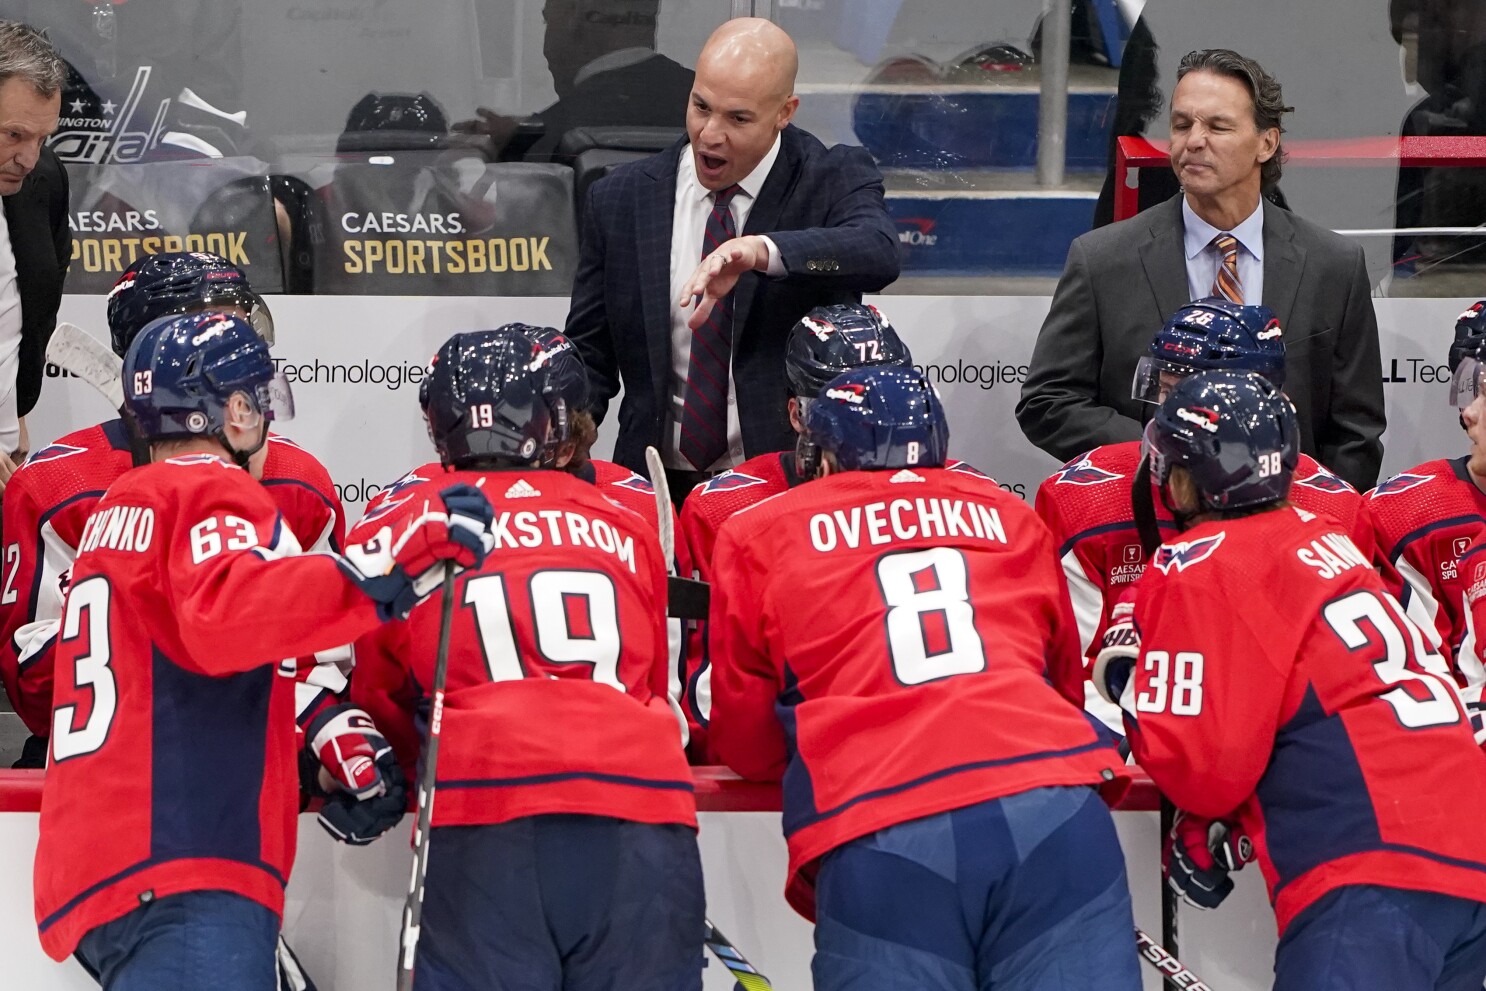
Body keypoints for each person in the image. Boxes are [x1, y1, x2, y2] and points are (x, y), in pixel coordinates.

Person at [32, 310, 494, 989]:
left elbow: (188, 661)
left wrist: (318, 726)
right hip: (186, 860)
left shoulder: (119, 509)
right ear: (239, 411)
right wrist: (387, 566)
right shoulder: (209, 490)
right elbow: (234, 613)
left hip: (104, 869)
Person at [709, 364, 1139, 991]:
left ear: (819, 458)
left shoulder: (755, 531)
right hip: (1054, 807)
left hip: (885, 824)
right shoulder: (1009, 513)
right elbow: (1064, 689)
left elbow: (746, 744)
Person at [1094, 369, 1486, 991]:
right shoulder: (1332, 541)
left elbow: (1202, 767)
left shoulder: (1199, 561)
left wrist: (1134, 688)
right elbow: (1321, 707)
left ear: (1188, 473)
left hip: (1372, 873)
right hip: (1470, 849)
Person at [351, 327, 702, 991]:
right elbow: (657, 685)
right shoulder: (625, 522)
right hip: (644, 810)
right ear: (566, 433)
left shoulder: (402, 519)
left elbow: (379, 697)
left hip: (486, 813)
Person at [0, 253, 348, 768]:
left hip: (263, 761)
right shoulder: (56, 486)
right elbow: (34, 683)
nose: (239, 355)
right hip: (100, 766)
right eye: (216, 333)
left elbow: (333, 663)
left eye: (243, 331)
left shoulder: (299, 482)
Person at [564, 17, 900, 505]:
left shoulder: (831, 177)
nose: (710, 135)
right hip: (654, 487)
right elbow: (590, 354)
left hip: (782, 487)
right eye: (701, 107)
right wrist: (561, 443)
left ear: (785, 112)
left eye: (738, 119)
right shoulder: (620, 198)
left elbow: (878, 250)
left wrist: (763, 251)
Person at [1018, 47, 1386, 492]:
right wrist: (1171, 453)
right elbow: (1048, 402)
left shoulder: (1334, 266)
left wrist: (1311, 512)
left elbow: (1357, 432)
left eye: (1217, 126)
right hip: (1148, 523)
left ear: (1266, 143)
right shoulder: (1102, 260)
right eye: (1181, 125)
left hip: (1287, 525)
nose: (1193, 140)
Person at [1035, 298, 1371, 735]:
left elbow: (1347, 681)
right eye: (1167, 390)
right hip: (1128, 744)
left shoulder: (1335, 508)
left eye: (1195, 400)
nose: (1172, 418)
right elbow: (1070, 679)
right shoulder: (1083, 497)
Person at [677, 301, 999, 757]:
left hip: (949, 740)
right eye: (845, 408)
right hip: (817, 752)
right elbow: (706, 687)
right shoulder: (725, 509)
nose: (865, 424)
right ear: (795, 413)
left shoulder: (976, 493)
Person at [1368, 300, 1486, 740]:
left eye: (1485, 389)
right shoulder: (1404, 513)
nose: (1468, 411)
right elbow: (1409, 684)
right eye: (1466, 388)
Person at [0, 20, 69, 483]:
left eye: (43, 138)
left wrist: (18, 408)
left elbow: (37, 303)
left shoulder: (42, 179)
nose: (29, 156)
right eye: (13, 135)